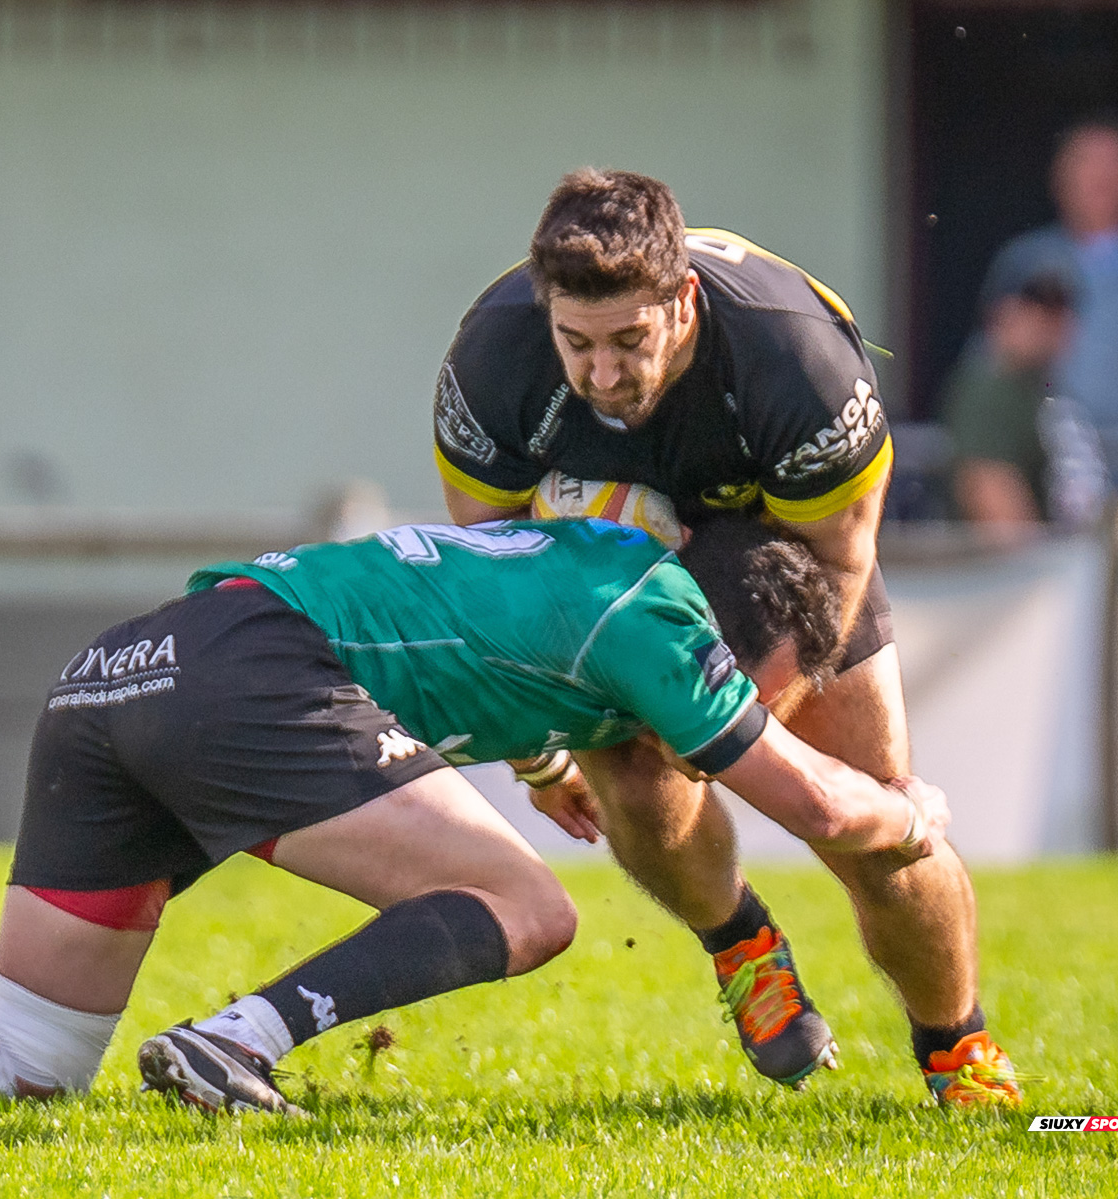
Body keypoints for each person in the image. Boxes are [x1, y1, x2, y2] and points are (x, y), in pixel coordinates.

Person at [0, 516, 968, 1113]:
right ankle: (235, 1039)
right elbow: (819, 804)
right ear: (749, 649)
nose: (737, 721)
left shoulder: (592, 559)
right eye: (769, 696)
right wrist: (916, 814)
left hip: (123, 669)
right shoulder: (669, 622)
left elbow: (479, 641)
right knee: (530, 908)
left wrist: (555, 750)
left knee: (24, 1070)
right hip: (252, 673)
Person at [431, 168, 1019, 1107]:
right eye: (576, 344)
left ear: (684, 298)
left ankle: (962, 1052)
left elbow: (835, 571)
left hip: (786, 566)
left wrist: (727, 730)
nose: (603, 375)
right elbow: (488, 572)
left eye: (630, 339)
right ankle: (741, 942)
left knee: (879, 829)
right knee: (629, 770)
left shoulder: (797, 362)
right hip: (611, 575)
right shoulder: (494, 361)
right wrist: (540, 761)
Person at [980, 116, 1118, 436]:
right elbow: (987, 370)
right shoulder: (1025, 261)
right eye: (1087, 163)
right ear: (1058, 177)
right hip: (1044, 466)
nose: (1102, 177)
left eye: (1117, 164)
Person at [942, 269, 1078, 535]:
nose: (1046, 325)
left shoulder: (1038, 386)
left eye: (1056, 313)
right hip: (1006, 570)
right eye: (1035, 310)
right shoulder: (990, 388)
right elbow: (987, 489)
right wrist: (1042, 568)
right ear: (1002, 314)